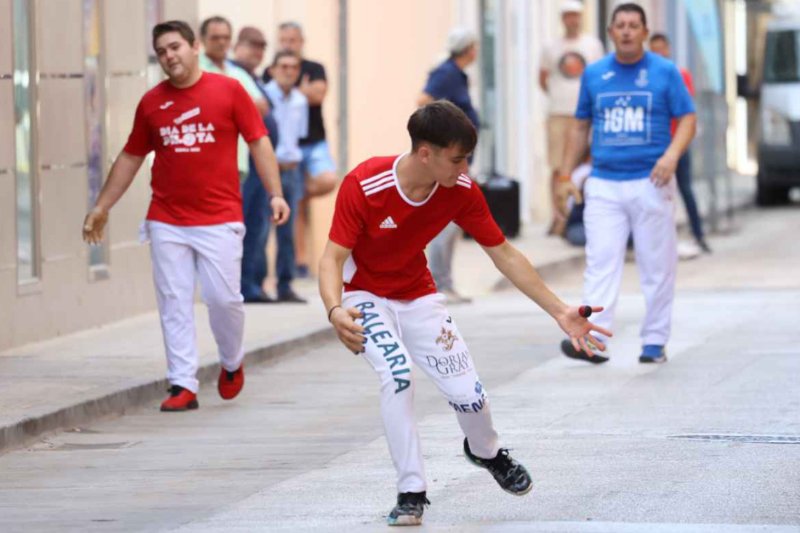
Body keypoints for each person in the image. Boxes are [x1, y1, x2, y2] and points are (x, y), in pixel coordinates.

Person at [318, 101, 611, 526]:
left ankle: (486, 452)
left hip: (418, 295)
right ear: (426, 154)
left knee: (470, 397)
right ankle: (411, 490)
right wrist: (333, 310)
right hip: (365, 296)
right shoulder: (365, 184)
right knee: (397, 375)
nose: (465, 167)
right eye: (457, 158)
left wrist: (559, 310)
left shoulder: (460, 190)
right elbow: (331, 258)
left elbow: (504, 255)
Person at [81, 20, 289, 411]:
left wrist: (276, 194)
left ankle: (231, 361)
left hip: (220, 216)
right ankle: (182, 384)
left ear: (195, 47)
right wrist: (102, 206)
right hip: (167, 218)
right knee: (174, 300)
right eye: (161, 52)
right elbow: (131, 156)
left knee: (223, 299)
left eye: (174, 47)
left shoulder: (229, 90)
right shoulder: (152, 103)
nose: (168, 56)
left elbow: (258, 141)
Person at [556, 3, 696, 365]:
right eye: (621, 25)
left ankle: (654, 341)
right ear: (611, 32)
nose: (628, 31)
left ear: (645, 32)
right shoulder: (594, 74)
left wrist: (671, 156)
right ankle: (592, 340)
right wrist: (565, 175)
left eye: (634, 25)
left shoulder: (665, 72)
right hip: (604, 182)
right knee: (600, 263)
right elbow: (580, 126)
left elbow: (688, 119)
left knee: (656, 265)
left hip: (652, 180)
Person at [266, 21, 338, 278]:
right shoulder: (268, 72)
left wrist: (294, 87)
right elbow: (270, 96)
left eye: (293, 40)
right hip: (287, 147)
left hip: (314, 143)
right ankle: (300, 262)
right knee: (293, 206)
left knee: (329, 180)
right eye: (284, 40)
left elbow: (318, 95)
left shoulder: (315, 67)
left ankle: (297, 192)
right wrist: (302, 88)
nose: (288, 44)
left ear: (301, 41)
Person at [417, 27, 480, 305]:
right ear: (468, 49)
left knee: (453, 220)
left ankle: (444, 282)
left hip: (459, 159)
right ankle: (439, 283)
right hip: (447, 161)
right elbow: (423, 103)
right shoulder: (445, 73)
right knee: (447, 221)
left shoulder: (458, 74)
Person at [540, 0, 605, 237]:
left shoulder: (592, 45)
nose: (572, 20)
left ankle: (577, 215)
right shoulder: (550, 46)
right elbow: (543, 77)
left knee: (581, 166)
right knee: (558, 167)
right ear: (562, 19)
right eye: (567, 16)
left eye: (575, 15)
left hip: (585, 113)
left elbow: (600, 76)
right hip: (558, 112)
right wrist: (560, 97)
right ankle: (557, 217)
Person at [231, 26, 283, 303]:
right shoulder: (231, 73)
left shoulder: (255, 78)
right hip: (245, 161)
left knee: (259, 224)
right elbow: (258, 109)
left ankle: (252, 283)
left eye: (262, 46)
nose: (257, 51)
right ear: (237, 46)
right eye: (252, 45)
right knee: (246, 224)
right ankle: (243, 285)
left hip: (259, 161)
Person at [648, 32, 712, 259]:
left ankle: (698, 234)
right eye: (653, 49)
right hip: (655, 147)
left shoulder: (679, 75)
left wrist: (679, 146)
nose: (658, 53)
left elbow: (686, 112)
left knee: (684, 189)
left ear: (668, 49)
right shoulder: (646, 75)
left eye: (661, 49)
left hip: (677, 145)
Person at [264, 50, 310, 303]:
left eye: (293, 66)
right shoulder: (264, 96)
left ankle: (285, 284)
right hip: (268, 170)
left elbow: (298, 137)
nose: (289, 71)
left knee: (288, 231)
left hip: (292, 171)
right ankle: (253, 284)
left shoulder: (300, 101)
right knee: (260, 228)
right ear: (273, 69)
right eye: (283, 66)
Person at [199, 16, 268, 182]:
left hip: (237, 161)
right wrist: (239, 107)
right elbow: (202, 108)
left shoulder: (237, 72)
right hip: (204, 161)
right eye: (215, 37)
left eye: (226, 38)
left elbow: (262, 107)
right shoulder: (195, 69)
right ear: (202, 39)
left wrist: (227, 105)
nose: (221, 42)